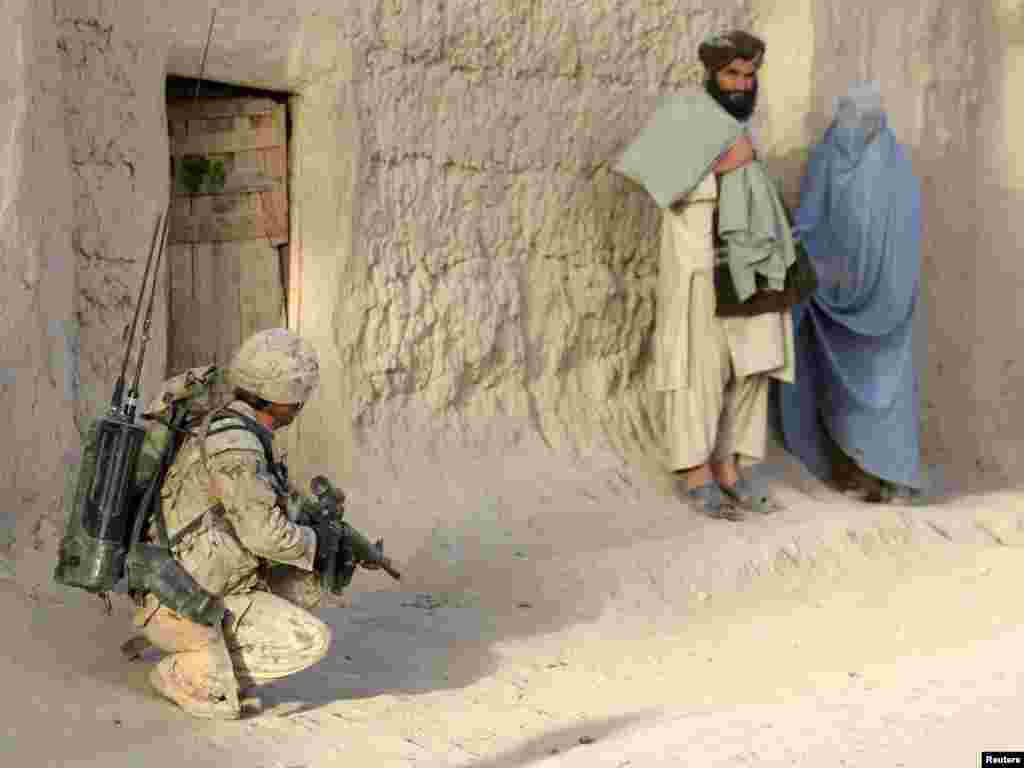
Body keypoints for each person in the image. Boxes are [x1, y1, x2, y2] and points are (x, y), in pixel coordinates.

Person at [129, 328, 337, 720]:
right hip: (179, 596)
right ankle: (188, 668)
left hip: (180, 581)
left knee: (305, 585)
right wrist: (315, 541)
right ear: (283, 399)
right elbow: (264, 534)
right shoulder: (237, 444)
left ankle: (200, 645)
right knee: (310, 640)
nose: (301, 404)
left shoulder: (233, 427)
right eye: (299, 396)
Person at [652, 30, 796, 520]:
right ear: (712, 74)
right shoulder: (685, 117)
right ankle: (695, 474)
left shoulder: (742, 126)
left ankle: (734, 469)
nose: (741, 83)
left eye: (749, 75)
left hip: (748, 264)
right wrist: (718, 169)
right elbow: (659, 182)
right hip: (700, 266)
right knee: (700, 370)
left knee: (754, 364)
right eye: (732, 73)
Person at [778, 83, 923, 503]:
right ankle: (856, 473)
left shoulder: (893, 165)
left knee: (886, 389)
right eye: (848, 115)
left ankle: (892, 476)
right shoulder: (829, 156)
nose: (853, 127)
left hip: (886, 306)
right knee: (838, 393)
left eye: (863, 119)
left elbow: (904, 238)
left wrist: (879, 284)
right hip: (835, 297)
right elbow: (809, 221)